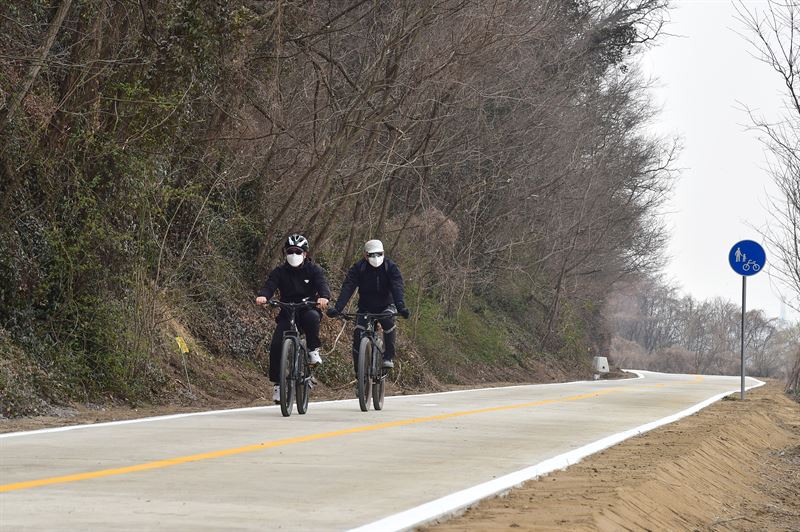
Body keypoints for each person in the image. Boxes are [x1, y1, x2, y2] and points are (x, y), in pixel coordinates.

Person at [256, 234, 330, 403]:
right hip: (287, 312)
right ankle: (278, 385)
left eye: (298, 251)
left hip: (307, 309)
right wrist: (263, 296)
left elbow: (322, 285)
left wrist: (324, 297)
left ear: (305, 253)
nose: (294, 254)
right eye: (290, 251)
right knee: (276, 345)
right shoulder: (280, 272)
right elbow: (269, 286)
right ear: (285, 253)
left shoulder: (314, 270)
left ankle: (312, 350)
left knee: (312, 317)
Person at [327, 239, 410, 372]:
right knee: (358, 334)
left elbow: (397, 286)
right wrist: (338, 308)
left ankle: (388, 357)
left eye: (379, 254)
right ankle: (359, 373)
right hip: (365, 308)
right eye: (371, 254)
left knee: (387, 320)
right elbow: (348, 287)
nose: (375, 257)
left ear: (383, 253)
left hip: (386, 305)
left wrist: (401, 306)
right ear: (365, 255)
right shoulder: (358, 268)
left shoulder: (391, 267)